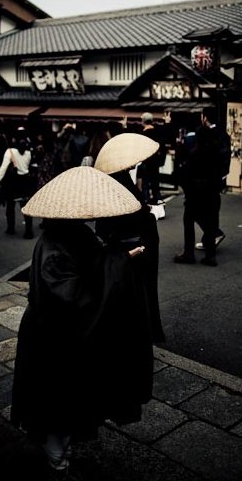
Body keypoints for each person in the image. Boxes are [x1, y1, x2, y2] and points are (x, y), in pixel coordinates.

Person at [11, 166, 153, 481]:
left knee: (66, 399)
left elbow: (95, 266)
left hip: (61, 335)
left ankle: (59, 452)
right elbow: (76, 299)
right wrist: (119, 263)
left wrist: (119, 258)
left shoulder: (75, 235)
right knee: (56, 401)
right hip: (51, 337)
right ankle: (56, 459)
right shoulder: (53, 251)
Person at [95, 132, 166, 344]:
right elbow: (131, 211)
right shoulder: (120, 181)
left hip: (120, 243)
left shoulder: (108, 181)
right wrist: (148, 212)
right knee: (137, 294)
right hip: (132, 246)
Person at [173, 109, 227, 267]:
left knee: (188, 222)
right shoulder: (216, 152)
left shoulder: (194, 154)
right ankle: (210, 256)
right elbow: (220, 172)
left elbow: (185, 175)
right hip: (212, 194)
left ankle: (188, 253)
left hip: (195, 195)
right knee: (210, 223)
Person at [0, 140, 35, 237]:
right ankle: (28, 231)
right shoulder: (29, 153)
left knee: (10, 205)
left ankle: (11, 228)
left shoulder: (10, 151)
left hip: (14, 182)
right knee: (26, 207)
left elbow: (4, 167)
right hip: (25, 181)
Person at [136, 111, 170, 205]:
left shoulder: (142, 134)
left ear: (143, 121)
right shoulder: (158, 132)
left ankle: (145, 203)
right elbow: (164, 143)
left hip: (146, 162)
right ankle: (158, 202)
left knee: (145, 185)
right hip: (155, 162)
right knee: (155, 184)